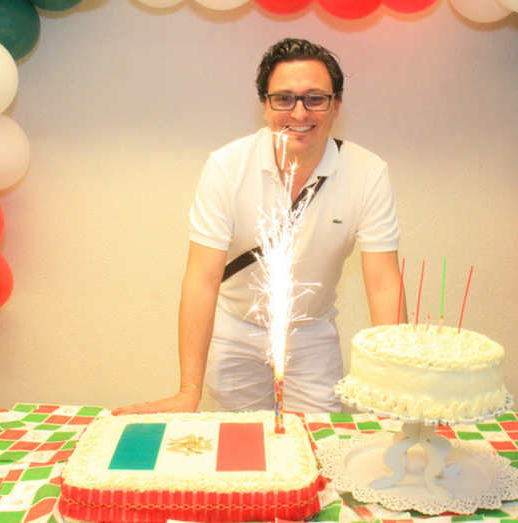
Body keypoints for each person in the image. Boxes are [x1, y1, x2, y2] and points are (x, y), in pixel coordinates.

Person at [114, 38, 402, 415]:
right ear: (265, 106)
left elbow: (384, 284)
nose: (299, 112)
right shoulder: (227, 166)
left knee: (315, 441)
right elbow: (202, 279)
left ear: (336, 105)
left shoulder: (368, 172)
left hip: (311, 334)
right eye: (284, 99)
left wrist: (397, 381)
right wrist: (188, 390)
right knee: (242, 444)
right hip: (236, 331)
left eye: (315, 98)